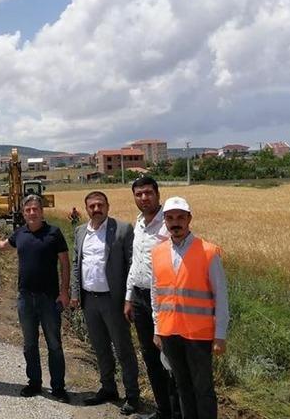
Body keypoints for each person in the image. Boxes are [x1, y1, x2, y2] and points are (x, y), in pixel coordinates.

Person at [152, 197, 229, 419]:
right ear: (165, 221)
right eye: (170, 218)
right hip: (169, 332)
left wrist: (220, 335)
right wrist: (157, 328)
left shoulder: (208, 252)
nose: (175, 222)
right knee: (182, 386)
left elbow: (221, 296)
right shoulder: (157, 252)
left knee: (203, 389)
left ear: (189, 219)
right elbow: (156, 294)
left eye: (180, 217)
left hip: (199, 334)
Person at [0, 195, 71, 403]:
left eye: (35, 209)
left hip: (49, 298)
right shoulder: (20, 233)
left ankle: (58, 387)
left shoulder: (54, 233)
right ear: (23, 213)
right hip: (25, 298)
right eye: (28, 210)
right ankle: (34, 383)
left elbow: (64, 263)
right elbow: (2, 245)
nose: (32, 213)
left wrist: (64, 292)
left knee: (54, 344)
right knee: (29, 344)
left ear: (42, 211)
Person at [70, 191, 140, 415]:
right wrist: (75, 294)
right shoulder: (81, 231)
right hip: (89, 300)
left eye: (100, 205)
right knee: (100, 348)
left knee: (123, 349)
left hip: (114, 300)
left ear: (107, 206)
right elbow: (75, 264)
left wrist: (130, 298)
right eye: (92, 206)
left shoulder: (122, 229)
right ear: (86, 208)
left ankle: (132, 395)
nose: (96, 209)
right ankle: (108, 388)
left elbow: (132, 266)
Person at [125, 176, 182, 419]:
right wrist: (128, 297)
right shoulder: (138, 223)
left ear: (158, 194)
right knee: (150, 356)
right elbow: (135, 264)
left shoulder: (168, 224)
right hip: (139, 297)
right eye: (138, 194)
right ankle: (162, 410)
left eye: (148, 193)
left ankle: (178, 412)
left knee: (169, 358)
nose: (143, 198)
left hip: (165, 300)